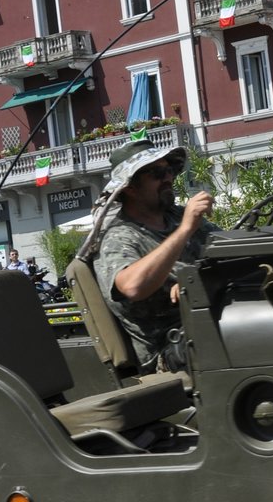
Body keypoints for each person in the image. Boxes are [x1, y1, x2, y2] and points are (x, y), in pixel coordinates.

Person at [94, 138, 221, 371]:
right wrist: (185, 230)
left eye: (169, 170)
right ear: (129, 188)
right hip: (169, 349)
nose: (168, 178)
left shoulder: (177, 217)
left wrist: (195, 282)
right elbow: (132, 286)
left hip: (210, 320)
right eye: (156, 173)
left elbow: (229, 251)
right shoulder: (118, 237)